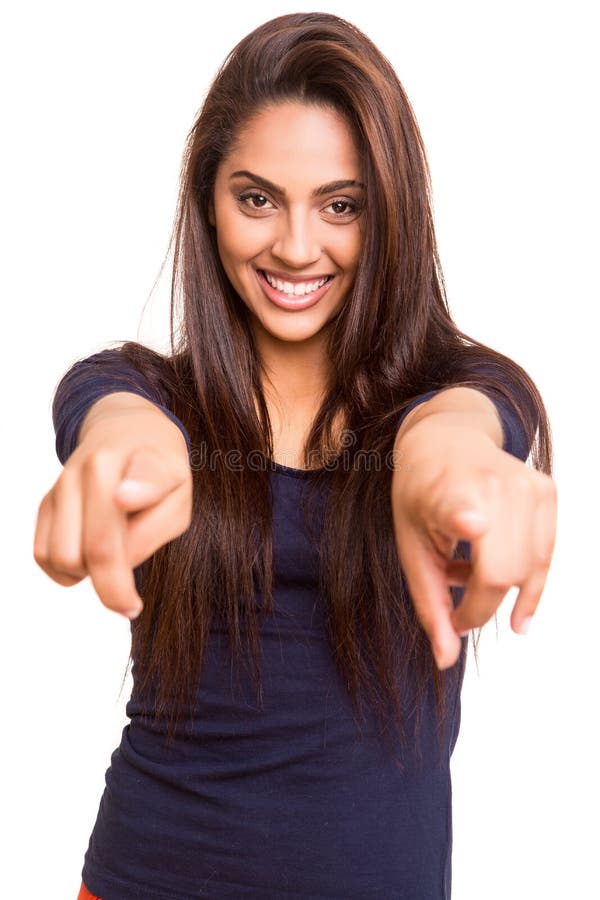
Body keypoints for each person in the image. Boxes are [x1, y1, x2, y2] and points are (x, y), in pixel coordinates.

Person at [34, 11, 557, 900]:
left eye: (341, 205)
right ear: (209, 201)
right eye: (258, 198)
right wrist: (129, 445)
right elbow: (115, 417)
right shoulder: (141, 390)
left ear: (391, 212)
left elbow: (457, 433)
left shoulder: (468, 390)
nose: (296, 247)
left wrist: (439, 470)